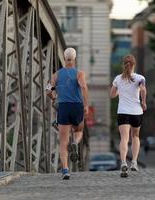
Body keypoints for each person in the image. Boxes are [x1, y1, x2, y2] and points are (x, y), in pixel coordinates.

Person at [46, 47, 89, 180]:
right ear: (75, 58)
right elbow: (83, 87)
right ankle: (76, 142)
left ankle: (65, 170)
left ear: (64, 58)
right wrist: (86, 105)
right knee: (79, 130)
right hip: (77, 107)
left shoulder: (56, 75)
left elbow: (48, 90)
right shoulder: (79, 74)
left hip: (63, 107)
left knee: (63, 141)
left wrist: (53, 98)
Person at [110, 54, 147, 178]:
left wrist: (120, 90)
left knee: (124, 138)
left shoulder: (117, 79)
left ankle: (123, 162)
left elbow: (112, 95)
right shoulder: (140, 78)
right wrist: (144, 102)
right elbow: (143, 89)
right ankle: (134, 162)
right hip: (136, 112)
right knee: (135, 136)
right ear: (134, 65)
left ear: (123, 65)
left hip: (123, 112)